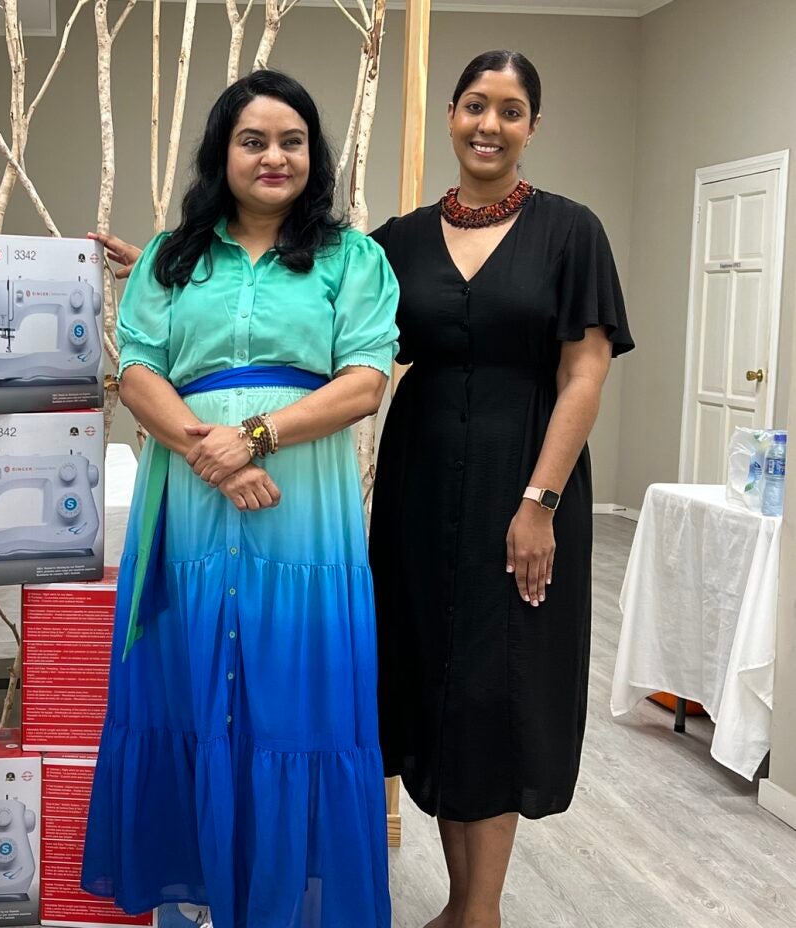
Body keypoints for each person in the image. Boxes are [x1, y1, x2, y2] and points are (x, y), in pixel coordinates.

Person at [80, 70, 400, 928]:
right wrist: (208, 453)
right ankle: (200, 892)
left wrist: (253, 440)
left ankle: (284, 896)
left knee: (295, 695)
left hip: (302, 505)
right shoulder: (169, 258)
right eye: (253, 139)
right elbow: (139, 368)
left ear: (313, 155)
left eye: (291, 141)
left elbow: (365, 381)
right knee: (190, 687)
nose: (273, 156)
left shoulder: (352, 258)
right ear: (223, 151)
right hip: (187, 505)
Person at [368, 50, 634, 928]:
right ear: (450, 115)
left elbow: (584, 373)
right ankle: (457, 905)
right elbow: (304, 300)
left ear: (531, 127)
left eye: (510, 110)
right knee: (435, 682)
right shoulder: (399, 240)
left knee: (498, 688)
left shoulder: (570, 231)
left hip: (524, 481)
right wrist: (186, 268)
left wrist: (538, 504)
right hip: (419, 481)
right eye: (475, 106)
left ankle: (480, 912)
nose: (490, 124)